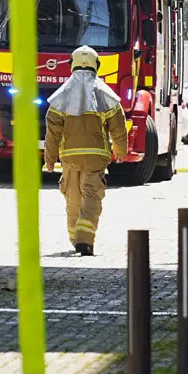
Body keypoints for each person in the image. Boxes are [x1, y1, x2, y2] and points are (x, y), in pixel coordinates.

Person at [43, 45, 128, 256]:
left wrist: (50, 159)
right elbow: (118, 128)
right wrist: (120, 151)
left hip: (69, 157)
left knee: (73, 197)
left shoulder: (61, 96)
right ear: (96, 65)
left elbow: (52, 132)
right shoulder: (106, 94)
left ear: (71, 65)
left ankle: (75, 237)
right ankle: (84, 238)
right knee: (91, 195)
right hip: (96, 157)